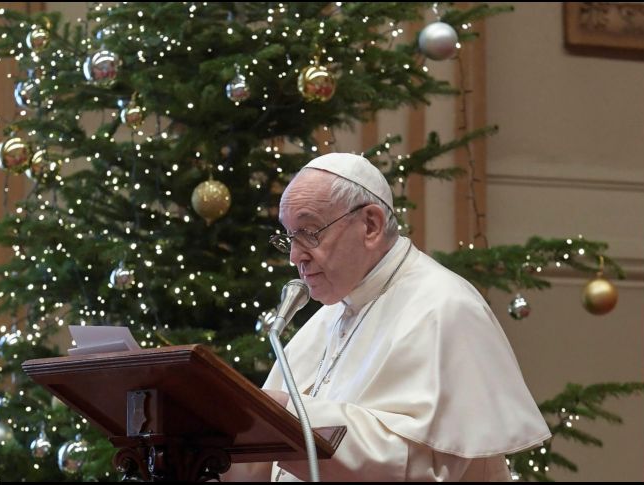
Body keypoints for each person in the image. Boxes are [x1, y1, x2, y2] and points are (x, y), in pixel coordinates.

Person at [224, 152, 550, 482]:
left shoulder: (444, 307)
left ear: (371, 225)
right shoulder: (331, 315)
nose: (296, 257)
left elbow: (427, 466)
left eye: (310, 232)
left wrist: (289, 415)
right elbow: (260, 458)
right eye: (289, 238)